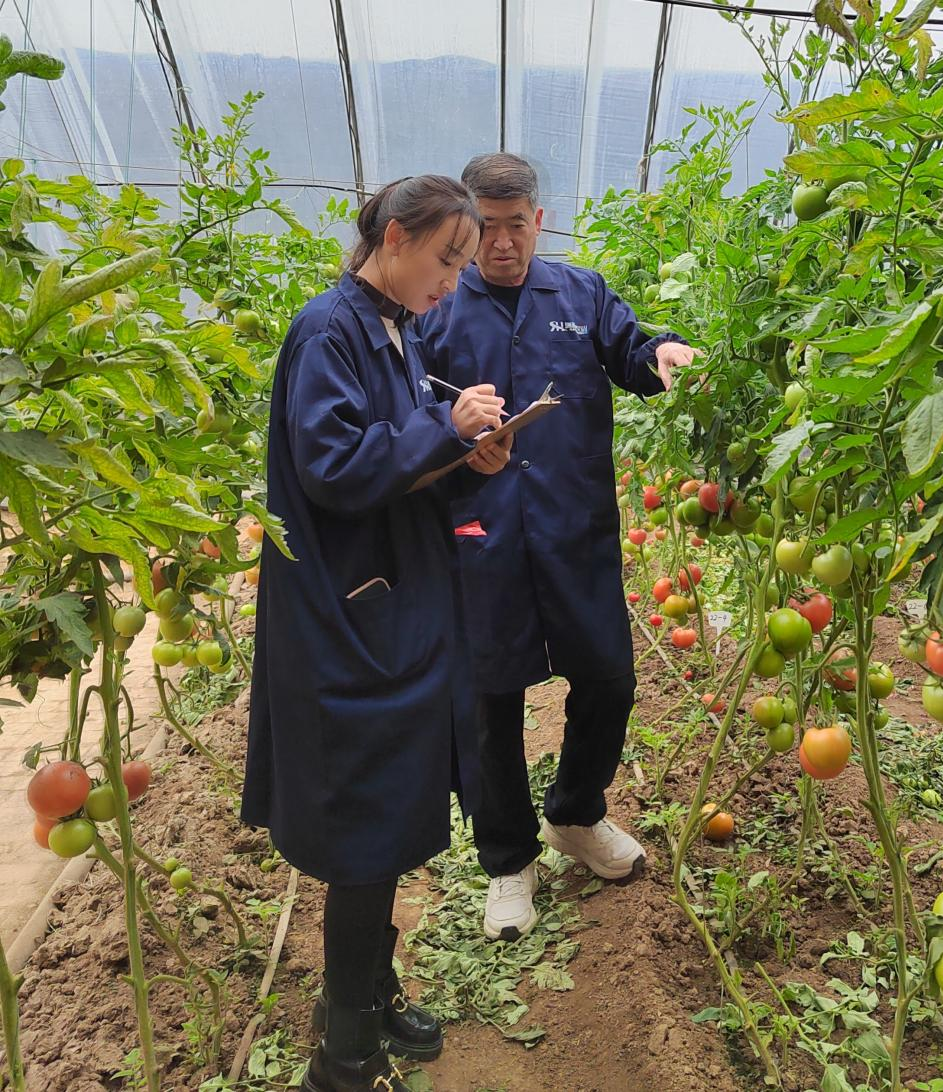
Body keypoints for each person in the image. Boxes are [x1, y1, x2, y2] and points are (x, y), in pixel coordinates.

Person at [241, 175, 513, 1092]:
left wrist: (467, 456)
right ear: (393, 238)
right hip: (347, 621)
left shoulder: (396, 330)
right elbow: (332, 466)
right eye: (446, 259)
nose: (453, 280)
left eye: (461, 267)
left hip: (390, 606)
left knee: (389, 819)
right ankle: (343, 1051)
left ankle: (365, 993)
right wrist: (443, 427)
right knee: (366, 828)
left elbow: (399, 462)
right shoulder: (329, 330)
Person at [418, 152, 699, 942]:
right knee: (491, 703)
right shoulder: (439, 312)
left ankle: (574, 814)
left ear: (538, 221)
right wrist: (451, 440)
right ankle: (508, 860)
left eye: (516, 226)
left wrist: (663, 352)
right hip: (481, 535)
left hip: (573, 530)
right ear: (467, 227)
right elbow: (410, 413)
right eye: (487, 229)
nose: (502, 243)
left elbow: (632, 352)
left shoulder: (581, 294)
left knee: (609, 680)